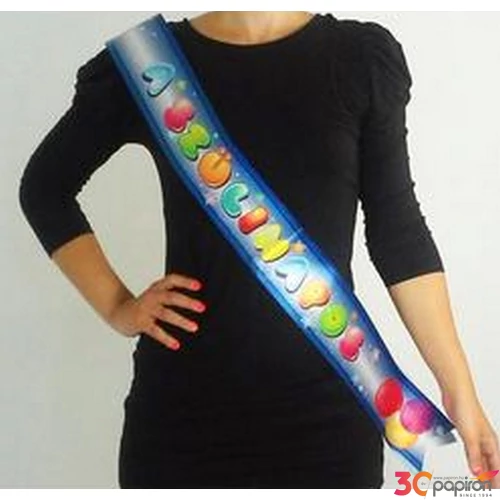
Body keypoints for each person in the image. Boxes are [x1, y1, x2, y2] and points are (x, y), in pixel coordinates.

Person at [18, 11, 500, 489]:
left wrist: (460, 393)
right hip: (182, 419)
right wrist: (118, 307)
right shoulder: (147, 63)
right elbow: (44, 189)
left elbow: (399, 235)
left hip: (327, 420)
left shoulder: (358, 59)